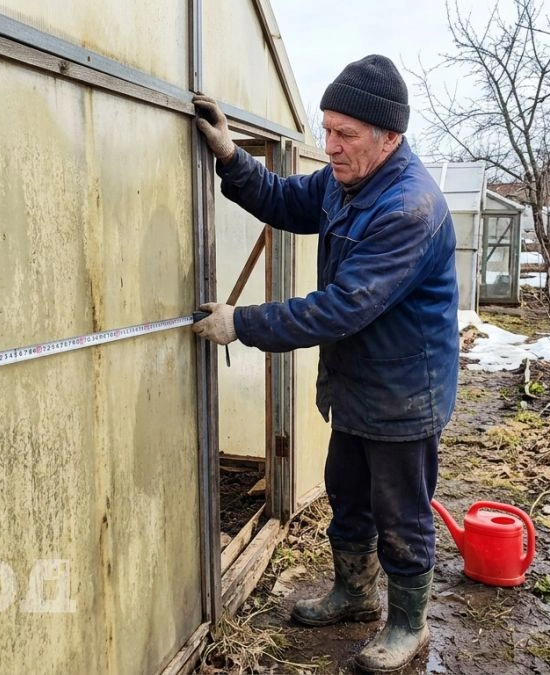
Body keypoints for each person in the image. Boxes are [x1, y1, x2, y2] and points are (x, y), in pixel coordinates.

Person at [191, 54, 459, 672]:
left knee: (402, 512)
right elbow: (286, 201)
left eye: (345, 134)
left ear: (390, 137)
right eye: (327, 129)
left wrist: (242, 322)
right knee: (348, 493)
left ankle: (408, 626)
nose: (330, 146)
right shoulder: (347, 181)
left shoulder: (408, 208)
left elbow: (341, 308)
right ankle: (355, 594)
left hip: (403, 391)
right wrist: (231, 156)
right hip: (357, 382)